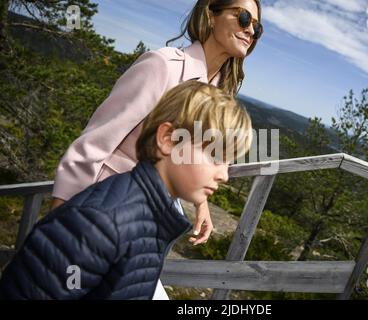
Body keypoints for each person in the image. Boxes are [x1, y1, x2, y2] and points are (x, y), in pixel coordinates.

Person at [50, 0, 262, 299]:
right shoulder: (163, 65)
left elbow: (193, 157)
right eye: (243, 18)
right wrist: (59, 226)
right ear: (210, 15)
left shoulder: (217, 94)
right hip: (102, 216)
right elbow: (93, 144)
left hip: (147, 229)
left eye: (257, 26)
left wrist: (200, 203)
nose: (250, 29)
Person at [0, 81, 253, 300]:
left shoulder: (151, 215)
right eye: (215, 155)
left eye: (229, 161)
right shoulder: (98, 224)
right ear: (168, 139)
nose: (225, 175)